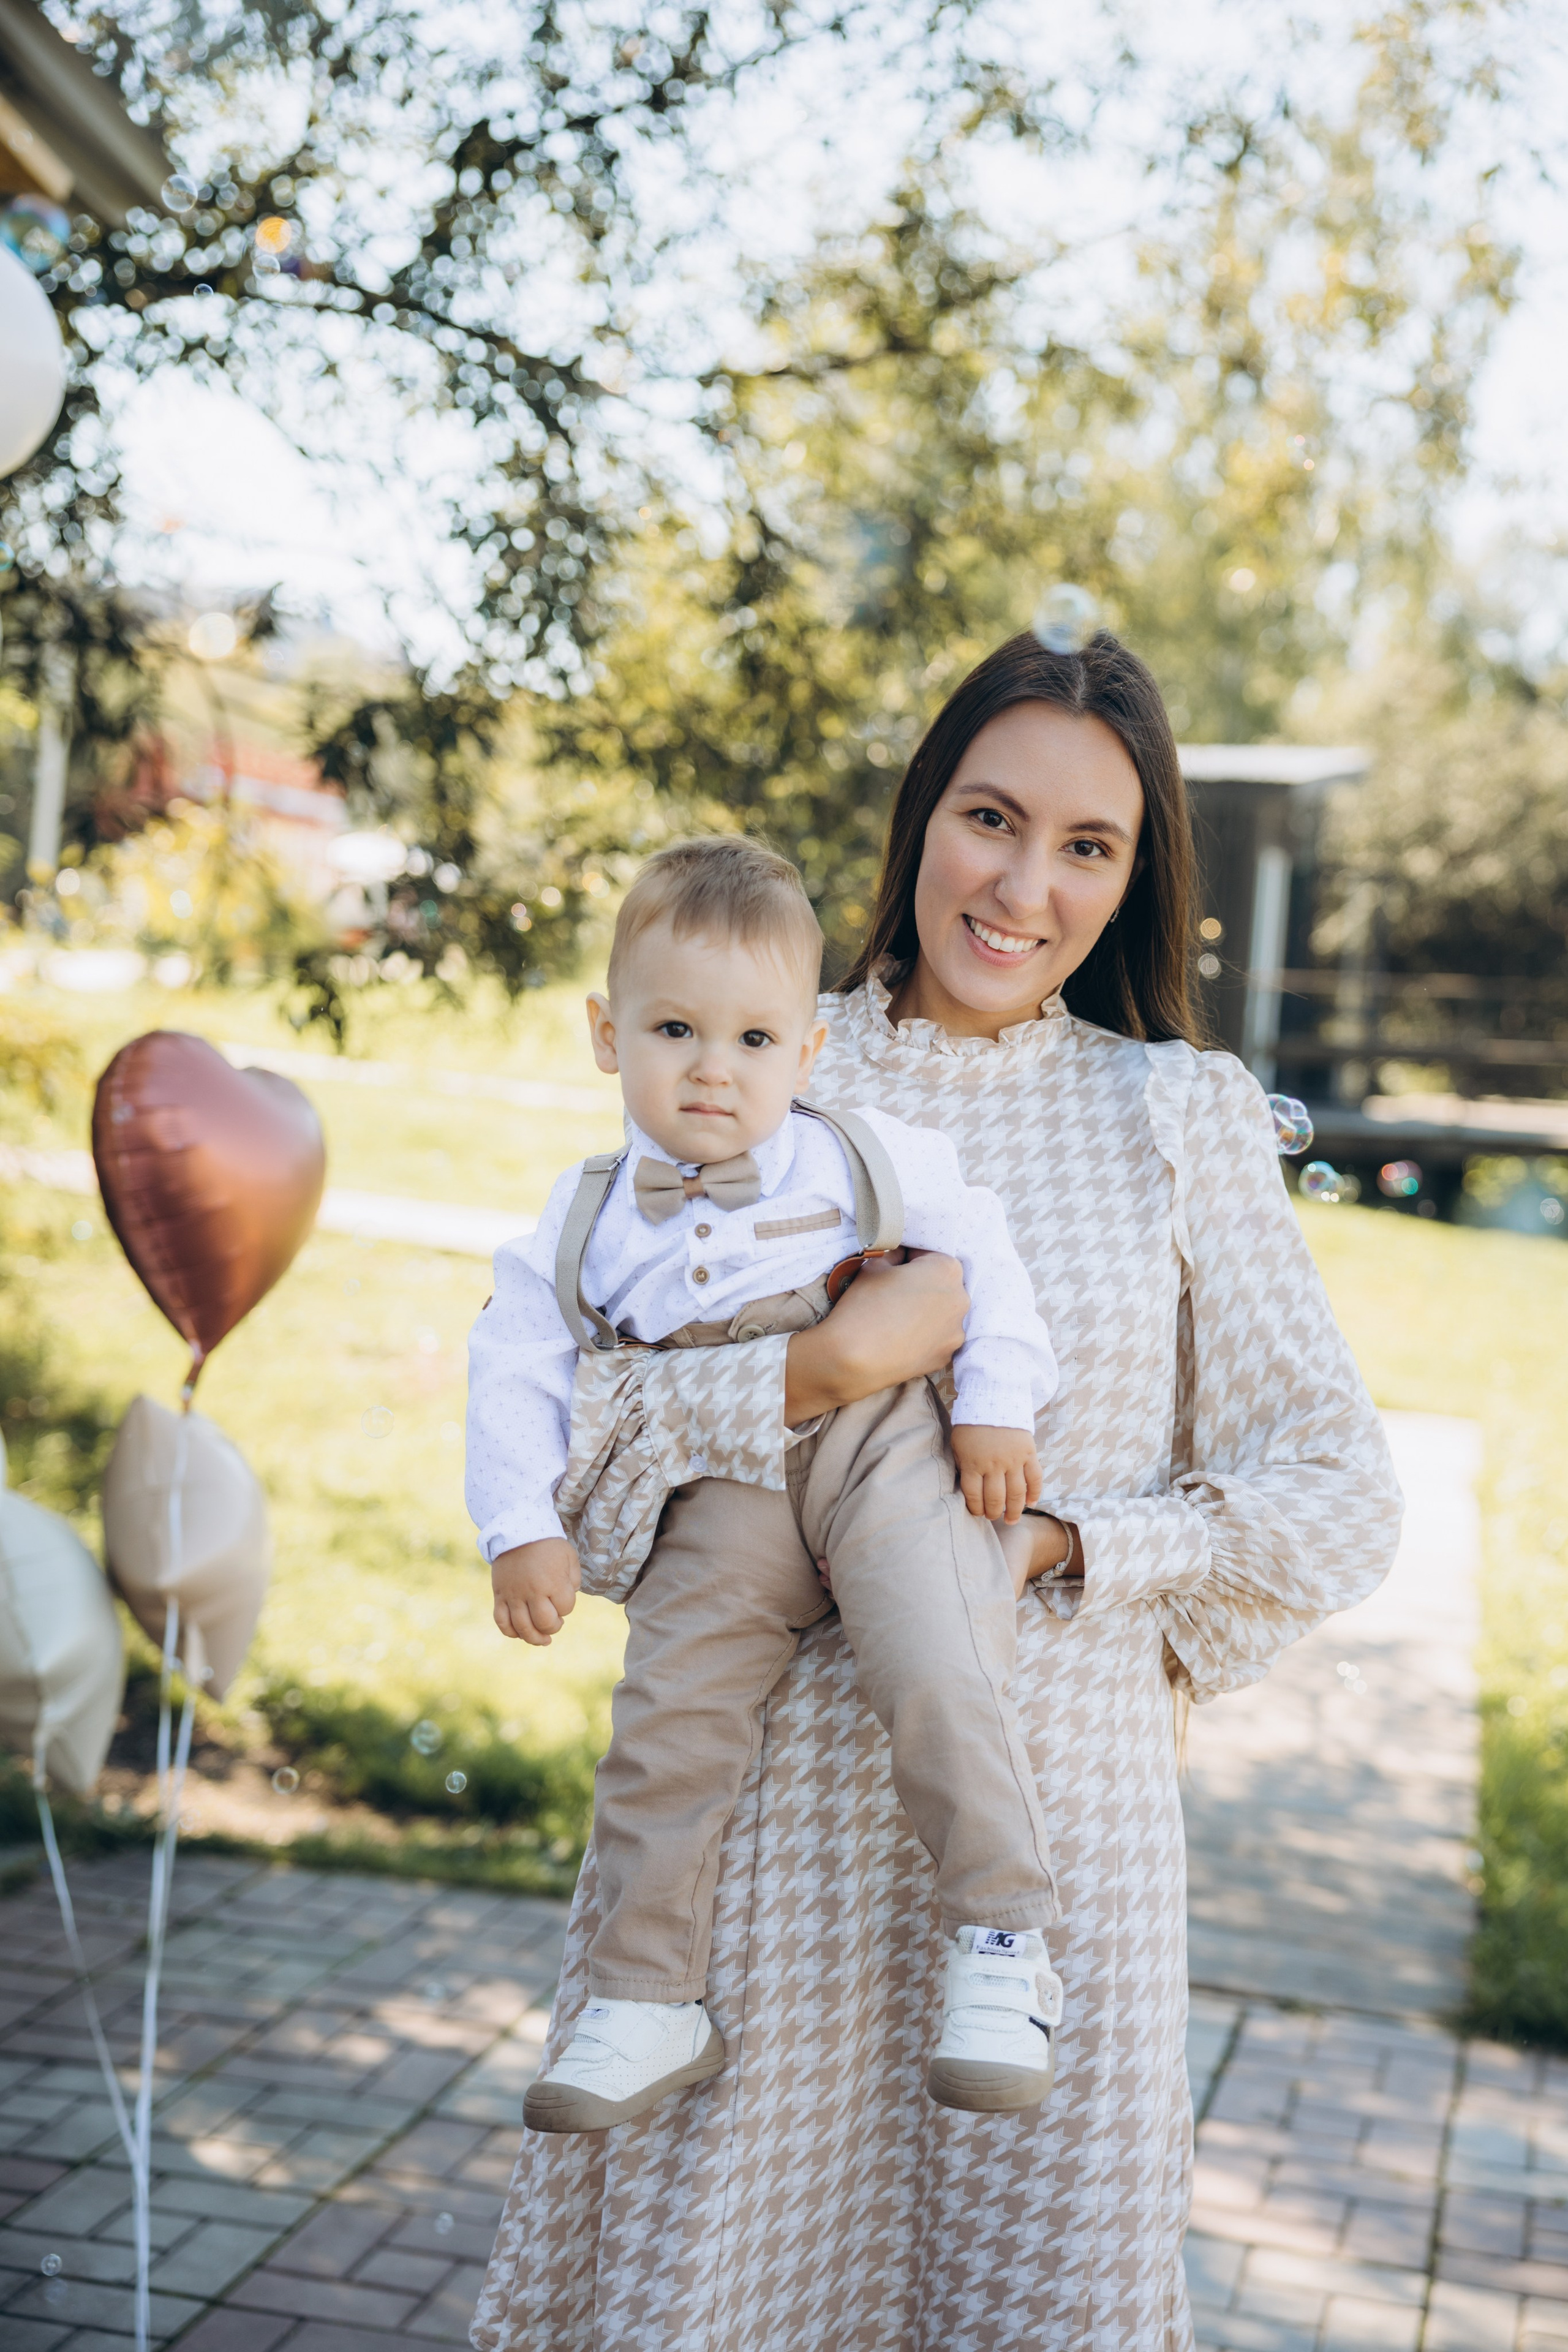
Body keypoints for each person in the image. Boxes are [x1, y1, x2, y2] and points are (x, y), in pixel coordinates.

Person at [470, 630, 1403, 2352]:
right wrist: (811, 1378)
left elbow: (1342, 1493)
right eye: (992, 816)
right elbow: (576, 1449)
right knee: (726, 2296)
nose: (1024, 885)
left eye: (1088, 848)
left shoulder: (1178, 1115)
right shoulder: (754, 1046)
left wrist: (1073, 1542)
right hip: (766, 1858)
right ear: (922, 819)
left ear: (1135, 882)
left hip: (1056, 1869)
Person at [466, 837, 1066, 2134]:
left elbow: (984, 1258)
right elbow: (511, 1369)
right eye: (673, 1028)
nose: (709, 1068)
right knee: (666, 1719)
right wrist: (518, 1527)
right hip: (721, 1488)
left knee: (935, 1650)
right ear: (604, 1034)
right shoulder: (578, 1223)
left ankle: (1002, 1943)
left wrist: (992, 1405)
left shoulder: (860, 1154)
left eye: (751, 1040)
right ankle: (642, 1996)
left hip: (875, 1448)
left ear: (805, 1055)